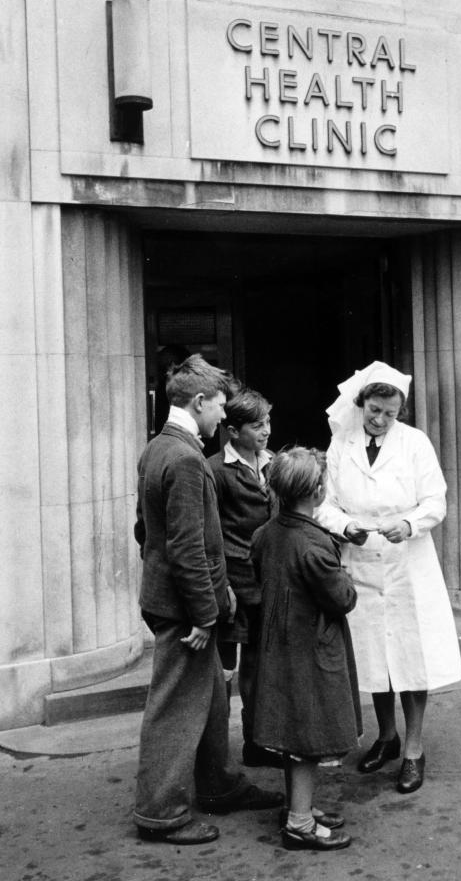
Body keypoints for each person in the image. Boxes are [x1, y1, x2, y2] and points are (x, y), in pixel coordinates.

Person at [133, 355, 283, 845]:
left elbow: (144, 529)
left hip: (178, 600)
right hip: (184, 611)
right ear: (199, 402)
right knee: (176, 708)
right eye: (220, 406)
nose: (224, 416)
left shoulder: (159, 449)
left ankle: (216, 784)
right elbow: (187, 547)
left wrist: (213, 598)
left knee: (212, 697)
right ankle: (162, 812)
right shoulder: (186, 458)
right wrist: (204, 612)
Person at [316, 361, 461, 794]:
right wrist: (346, 528)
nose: (380, 419)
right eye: (374, 409)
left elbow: (436, 501)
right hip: (360, 558)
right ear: (360, 403)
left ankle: (414, 749)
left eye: (390, 413)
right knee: (374, 655)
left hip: (407, 562)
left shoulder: (415, 443)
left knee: (411, 656)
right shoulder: (341, 443)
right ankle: (386, 736)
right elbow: (325, 504)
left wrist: (412, 524)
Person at [251, 447, 362, 851]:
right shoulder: (315, 546)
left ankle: (299, 805)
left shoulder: (267, 534)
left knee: (291, 731)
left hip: (279, 645)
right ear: (316, 491)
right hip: (311, 650)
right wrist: (344, 567)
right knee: (307, 737)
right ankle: (298, 822)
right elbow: (343, 599)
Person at [208, 387, 280, 768]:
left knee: (258, 669)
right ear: (233, 431)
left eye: (267, 422)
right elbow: (211, 534)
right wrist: (223, 587)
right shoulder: (215, 470)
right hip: (233, 586)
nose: (265, 430)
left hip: (267, 582)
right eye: (256, 425)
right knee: (222, 671)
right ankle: (214, 754)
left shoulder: (275, 464)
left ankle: (256, 742)